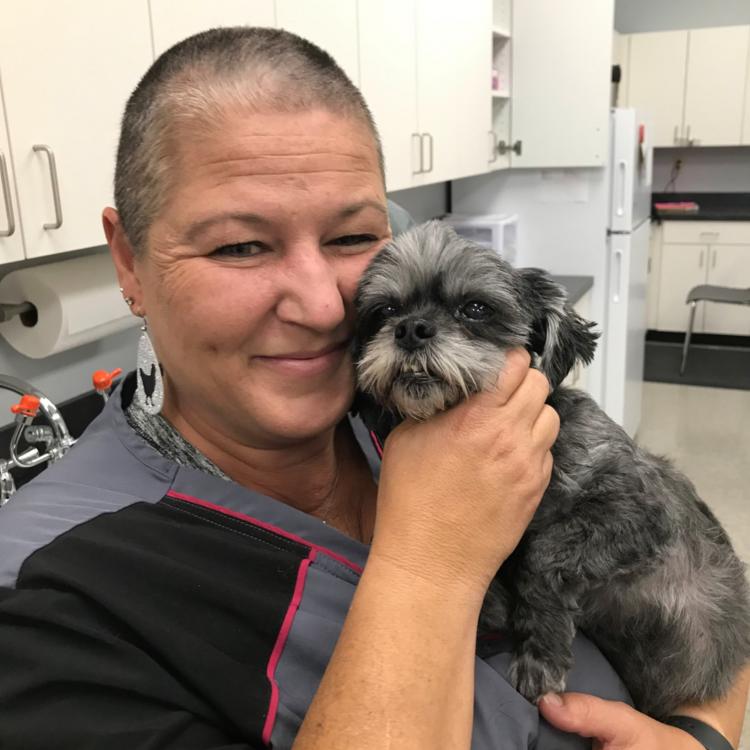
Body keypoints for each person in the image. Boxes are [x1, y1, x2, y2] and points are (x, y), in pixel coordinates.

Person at [0, 26, 746, 750]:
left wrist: (699, 735)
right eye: (240, 245)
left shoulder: (421, 401)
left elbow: (698, 570)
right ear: (129, 262)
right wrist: (430, 563)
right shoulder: (47, 602)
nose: (325, 309)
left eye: (353, 237)